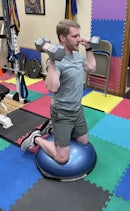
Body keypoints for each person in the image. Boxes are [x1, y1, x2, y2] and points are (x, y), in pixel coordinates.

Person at [21, 19, 96, 164]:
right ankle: (35, 138)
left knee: (83, 142)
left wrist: (88, 48)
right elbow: (52, 88)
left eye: (79, 35)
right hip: (62, 112)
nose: (79, 39)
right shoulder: (55, 62)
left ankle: (52, 129)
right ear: (62, 38)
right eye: (74, 36)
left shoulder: (76, 56)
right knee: (62, 158)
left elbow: (91, 67)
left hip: (77, 110)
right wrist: (53, 59)